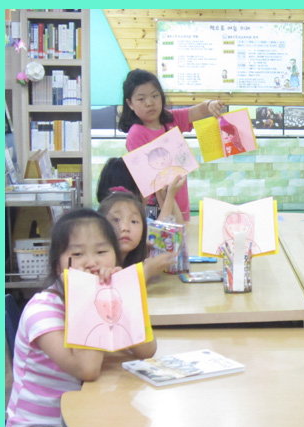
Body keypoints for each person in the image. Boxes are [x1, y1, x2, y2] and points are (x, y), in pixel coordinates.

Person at [6, 209, 157, 427]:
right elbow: (87, 368)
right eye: (77, 254)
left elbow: (146, 350)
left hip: (90, 418)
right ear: (57, 265)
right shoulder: (42, 310)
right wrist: (87, 296)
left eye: (101, 252)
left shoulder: (106, 297)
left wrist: (123, 294)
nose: (91, 262)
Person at [118, 68, 224, 221]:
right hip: (159, 208)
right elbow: (149, 181)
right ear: (130, 104)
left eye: (155, 96)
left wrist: (210, 104)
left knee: (183, 233)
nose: (149, 103)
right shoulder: (136, 134)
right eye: (141, 99)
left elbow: (197, 112)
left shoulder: (170, 120)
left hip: (181, 203)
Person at [98, 191, 176, 280]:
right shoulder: (96, 265)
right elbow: (117, 287)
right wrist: (146, 271)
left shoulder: (136, 260)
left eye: (134, 221)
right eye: (116, 220)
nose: (125, 228)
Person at [96, 156, 185, 224]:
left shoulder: (142, 220)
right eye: (142, 186)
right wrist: (170, 196)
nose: (148, 195)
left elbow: (178, 229)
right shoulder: (111, 222)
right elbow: (158, 234)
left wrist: (168, 196)